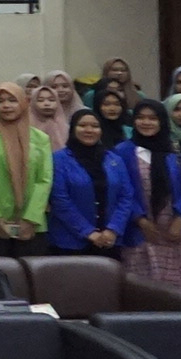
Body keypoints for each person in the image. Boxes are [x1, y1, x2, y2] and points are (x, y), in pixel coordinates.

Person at [126, 97, 181, 291]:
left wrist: (180, 219)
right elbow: (123, 191)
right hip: (142, 234)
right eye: (141, 118)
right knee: (145, 293)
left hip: (177, 232)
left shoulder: (179, 150)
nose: (146, 122)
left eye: (153, 118)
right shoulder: (123, 152)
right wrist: (141, 221)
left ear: (162, 121)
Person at [0, 81, 52, 258]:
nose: (6, 106)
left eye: (12, 100)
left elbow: (44, 180)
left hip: (33, 223)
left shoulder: (40, 138)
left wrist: (30, 218)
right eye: (0, 101)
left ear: (24, 103)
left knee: (32, 279)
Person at [50, 107, 139, 256]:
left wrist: (113, 229)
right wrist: (88, 232)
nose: (89, 130)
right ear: (72, 129)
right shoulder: (59, 159)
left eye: (95, 126)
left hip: (109, 240)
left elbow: (126, 196)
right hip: (70, 242)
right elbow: (59, 200)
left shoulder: (114, 159)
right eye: (82, 125)